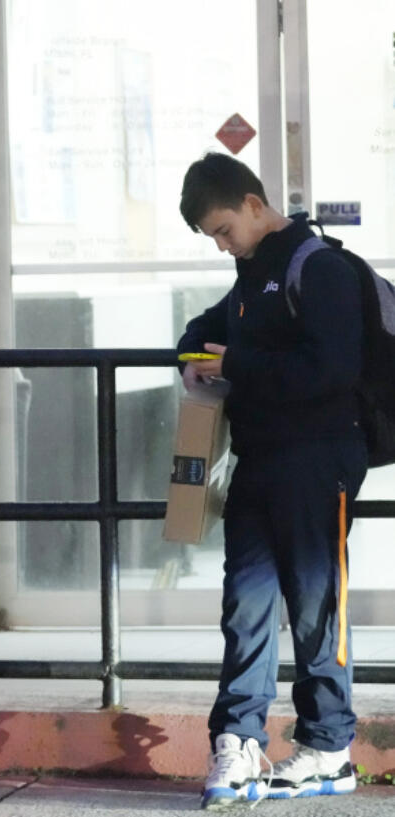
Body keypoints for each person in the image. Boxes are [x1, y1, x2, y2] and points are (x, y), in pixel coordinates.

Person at [177, 152, 365, 809]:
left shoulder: (318, 267)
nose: (223, 244)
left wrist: (240, 362)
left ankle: (329, 746)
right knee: (247, 605)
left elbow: (332, 370)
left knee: (316, 606)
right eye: (213, 237)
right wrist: (193, 354)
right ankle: (238, 738)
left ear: (255, 205)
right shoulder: (253, 273)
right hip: (260, 461)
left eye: (224, 228)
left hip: (318, 459)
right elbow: (209, 327)